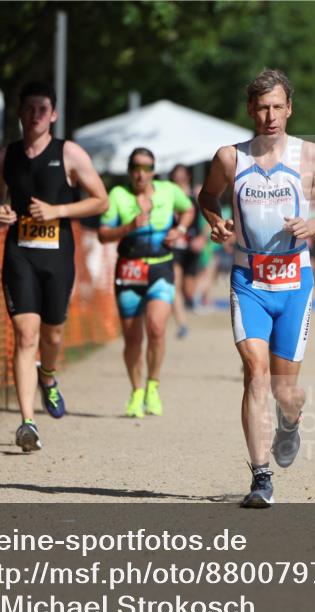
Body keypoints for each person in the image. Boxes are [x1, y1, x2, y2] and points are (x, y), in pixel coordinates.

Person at [198, 68, 315, 508]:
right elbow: (208, 197)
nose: (271, 116)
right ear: (250, 110)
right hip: (249, 281)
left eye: (278, 107)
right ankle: (260, 477)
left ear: (290, 109)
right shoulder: (230, 157)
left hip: (295, 282)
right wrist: (217, 222)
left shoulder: (310, 156)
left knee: (285, 391)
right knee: (256, 374)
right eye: (262, 108)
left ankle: (291, 421)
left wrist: (312, 224)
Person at [0, 81, 108, 453]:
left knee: (53, 335)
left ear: (53, 115)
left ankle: (49, 377)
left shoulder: (69, 153)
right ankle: (27, 422)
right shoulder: (4, 156)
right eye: (30, 108)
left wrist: (58, 211)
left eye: (43, 109)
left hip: (57, 256)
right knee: (25, 335)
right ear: (20, 113)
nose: (36, 115)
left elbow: (100, 201)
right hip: (20, 253)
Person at [98, 148, 195, 419]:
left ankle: (153, 386)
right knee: (132, 339)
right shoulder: (118, 195)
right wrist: (128, 227)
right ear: (129, 170)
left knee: (156, 327)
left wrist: (181, 230)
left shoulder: (168, 190)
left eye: (146, 167)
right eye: (136, 168)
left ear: (154, 170)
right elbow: (103, 235)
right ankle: (136, 390)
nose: (141, 173)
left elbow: (189, 210)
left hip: (160, 267)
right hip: (129, 270)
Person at [168, 164, 205, 338]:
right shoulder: (167, 195)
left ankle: (189, 303)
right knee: (174, 283)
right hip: (175, 246)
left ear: (188, 177)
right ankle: (182, 324)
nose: (179, 179)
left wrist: (202, 238)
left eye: (182, 176)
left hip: (192, 245)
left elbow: (208, 218)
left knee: (188, 290)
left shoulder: (196, 194)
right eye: (176, 176)